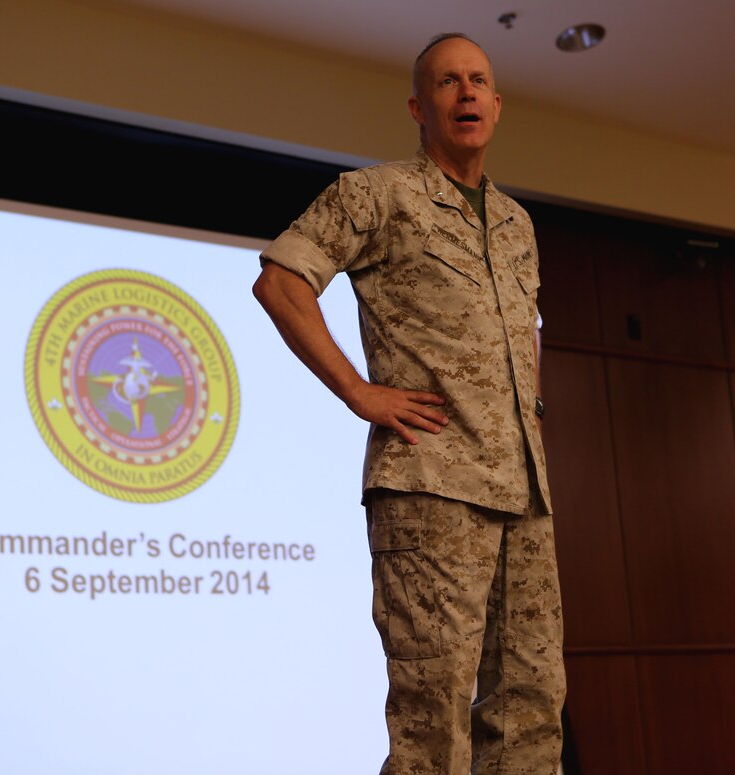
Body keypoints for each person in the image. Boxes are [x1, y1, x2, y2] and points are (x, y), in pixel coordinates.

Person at [253, 32, 565, 775]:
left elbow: (522, 336)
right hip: (432, 492)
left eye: (478, 80)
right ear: (418, 106)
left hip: (523, 495)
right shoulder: (377, 194)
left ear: (497, 104)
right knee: (435, 722)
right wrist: (358, 391)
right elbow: (281, 282)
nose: (466, 92)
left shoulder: (517, 223)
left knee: (533, 707)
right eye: (448, 81)